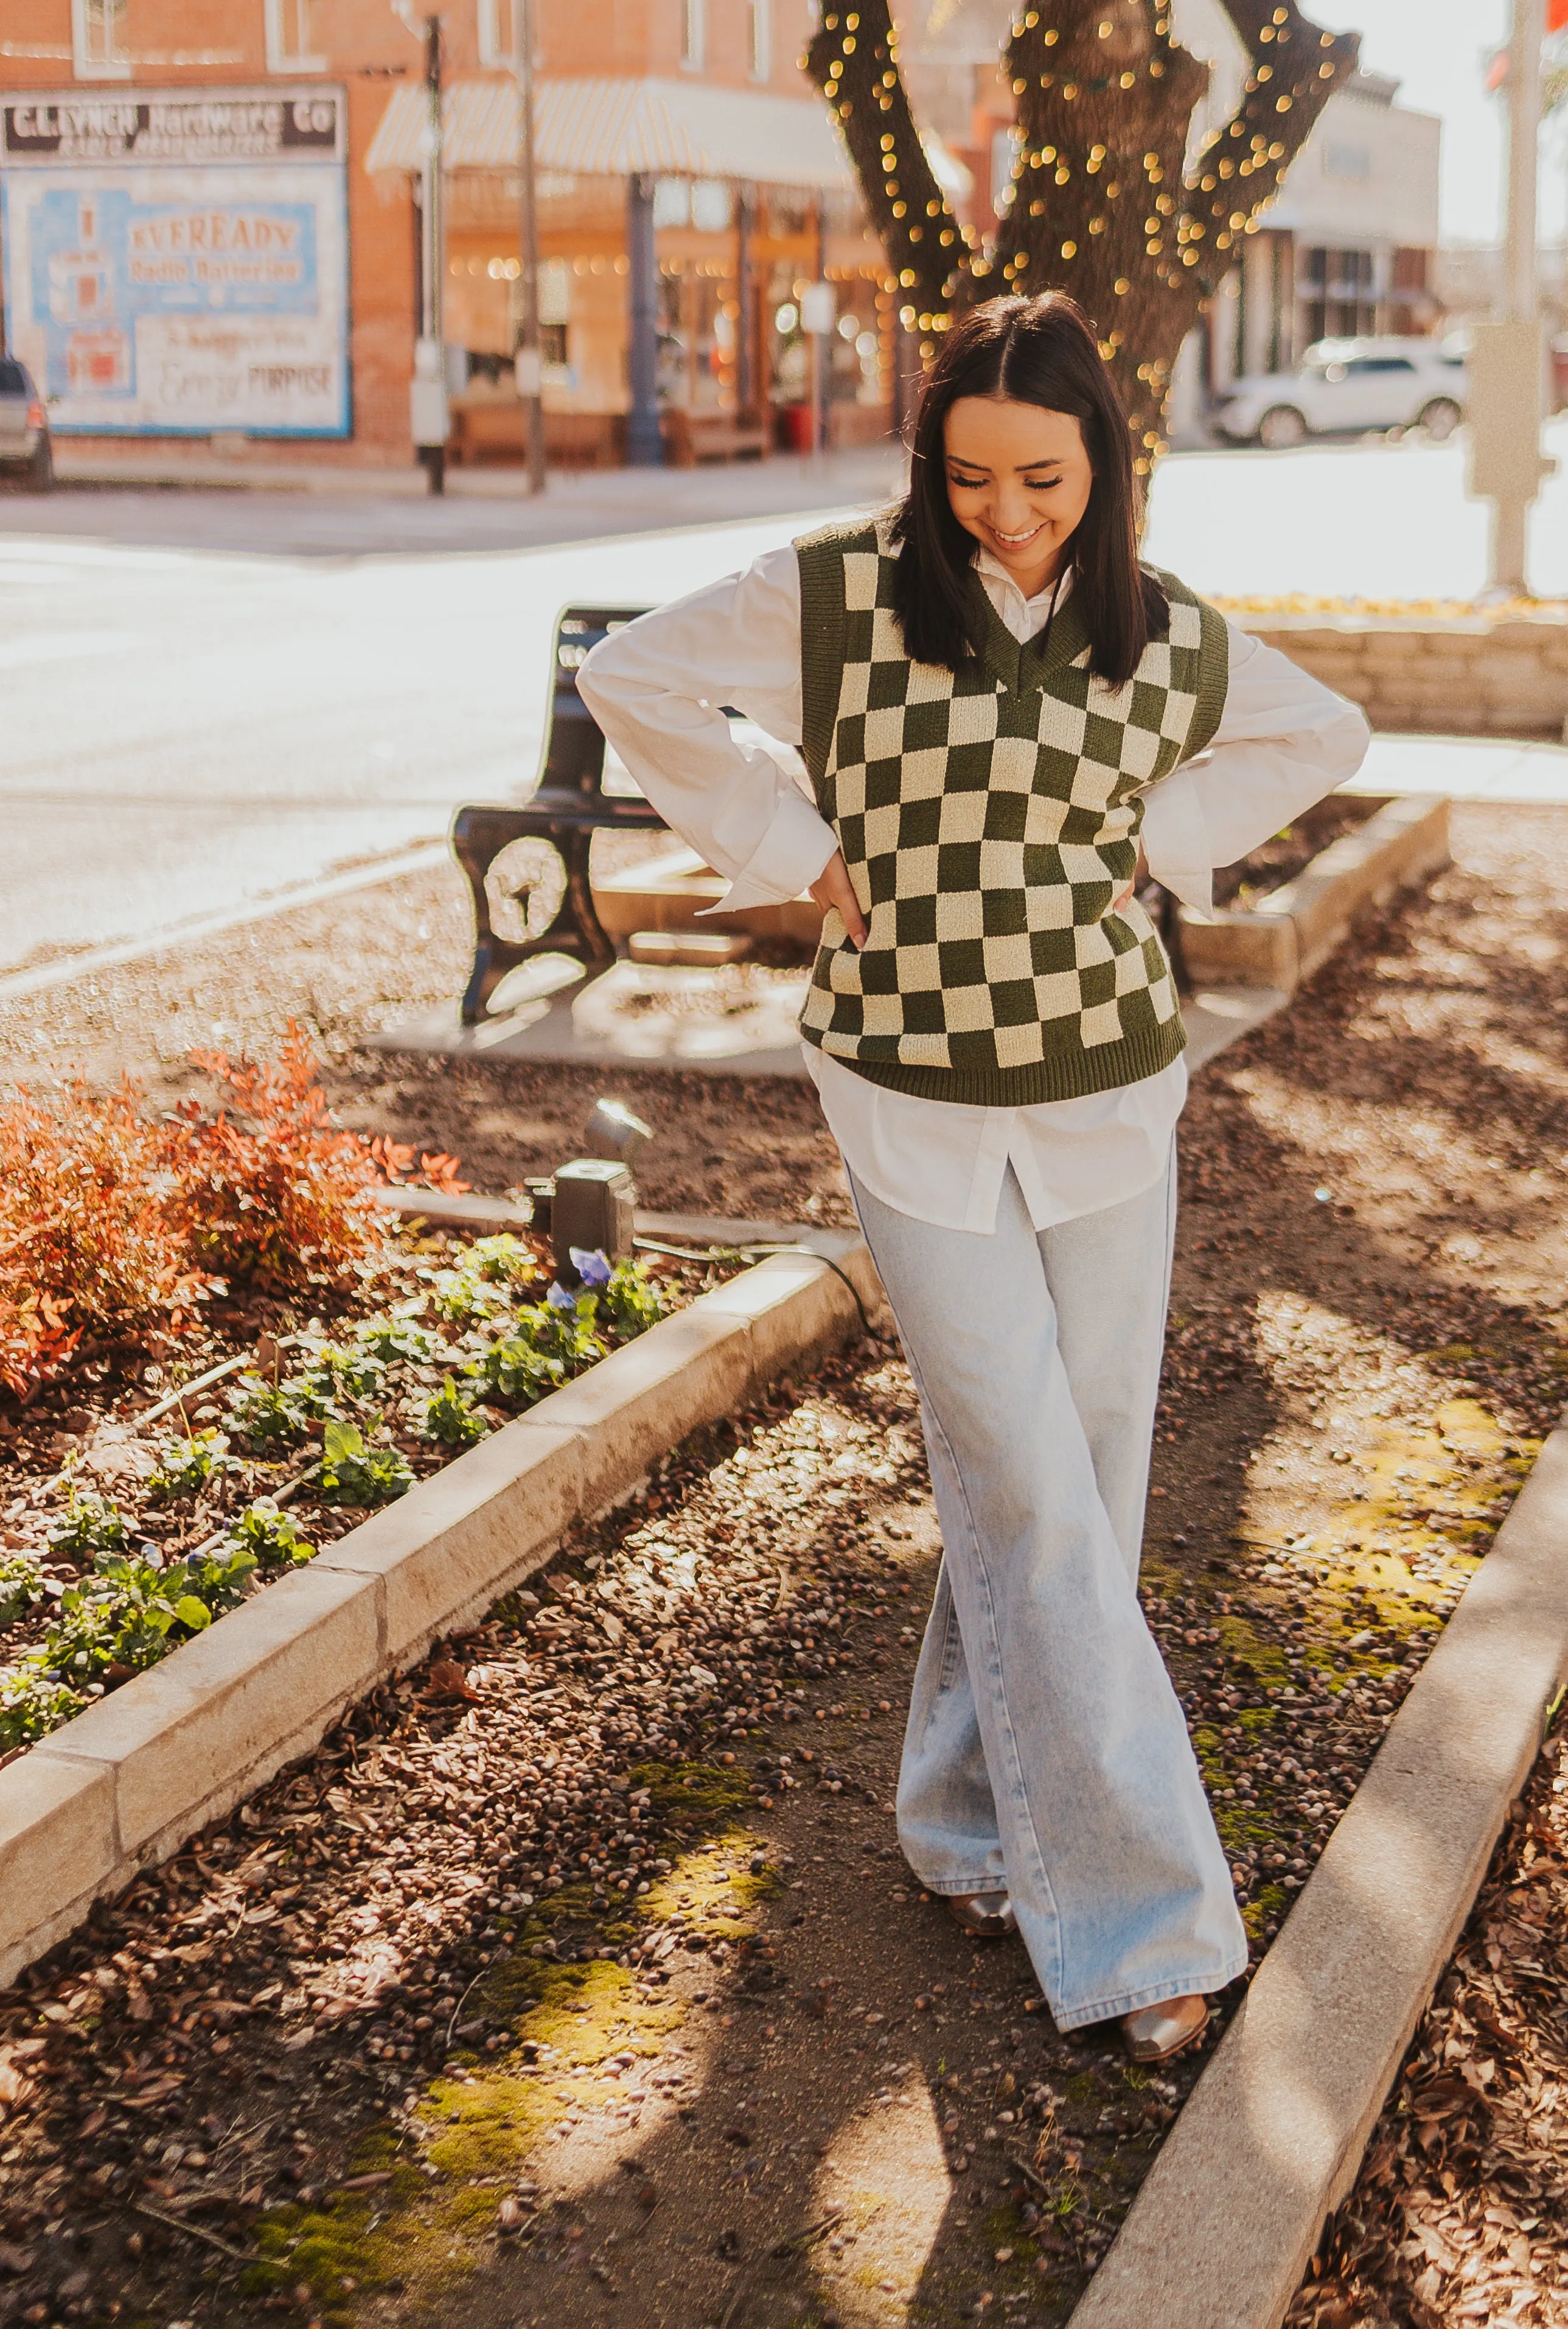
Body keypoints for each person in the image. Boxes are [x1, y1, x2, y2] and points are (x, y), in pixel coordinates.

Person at [579, 292, 1368, 2061]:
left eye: (1041, 476)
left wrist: (1156, 846)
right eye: (970, 476)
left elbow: (1327, 736)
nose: (1004, 512)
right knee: (1021, 1472)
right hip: (906, 1096)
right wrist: (789, 844)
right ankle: (1141, 1917)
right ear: (927, 465)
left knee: (1073, 1471)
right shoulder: (840, 595)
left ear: (1106, 462)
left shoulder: (1158, 631)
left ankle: (955, 1820)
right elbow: (628, 672)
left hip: (1103, 1093)